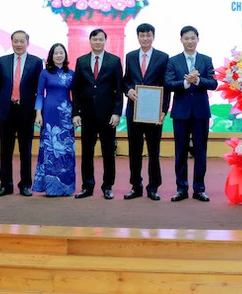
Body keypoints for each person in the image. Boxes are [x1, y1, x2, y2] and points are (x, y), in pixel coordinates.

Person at [165, 25, 217, 202]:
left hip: (201, 112)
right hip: (180, 112)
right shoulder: (173, 61)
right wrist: (186, 83)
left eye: (192, 38)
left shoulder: (206, 59)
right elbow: (168, 84)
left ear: (197, 39)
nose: (189, 41)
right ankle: (181, 188)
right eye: (186, 38)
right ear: (181, 40)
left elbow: (213, 83)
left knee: (201, 151)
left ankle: (199, 189)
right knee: (180, 152)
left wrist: (198, 80)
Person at [0, 30, 43, 197]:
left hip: (26, 111)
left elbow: (39, 90)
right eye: (15, 41)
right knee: (5, 150)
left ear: (28, 42)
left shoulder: (36, 62)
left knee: (25, 150)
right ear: (11, 42)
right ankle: (6, 185)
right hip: (7, 111)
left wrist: (37, 112)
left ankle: (25, 184)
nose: (18, 44)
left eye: (22, 41)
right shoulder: (3, 61)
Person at [72, 29, 123, 199]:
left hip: (108, 116)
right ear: (90, 41)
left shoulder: (114, 61)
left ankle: (107, 186)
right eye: (95, 39)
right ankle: (87, 185)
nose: (98, 42)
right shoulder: (81, 61)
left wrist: (117, 112)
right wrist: (76, 113)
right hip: (87, 115)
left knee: (108, 152)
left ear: (105, 41)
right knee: (87, 152)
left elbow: (119, 89)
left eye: (101, 39)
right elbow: (76, 89)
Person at [122, 23, 171, 201]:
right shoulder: (130, 56)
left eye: (148, 35)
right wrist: (128, 90)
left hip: (154, 112)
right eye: (142, 35)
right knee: (134, 151)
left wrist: (163, 110)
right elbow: (125, 80)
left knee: (153, 151)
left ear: (153, 36)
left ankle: (153, 187)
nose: (145, 38)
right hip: (133, 111)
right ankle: (136, 186)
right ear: (138, 37)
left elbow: (167, 87)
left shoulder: (163, 57)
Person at [33, 43, 75, 197]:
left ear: (65, 55)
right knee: (50, 149)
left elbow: (75, 95)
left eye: (61, 52)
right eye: (56, 53)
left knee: (66, 149)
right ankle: (51, 187)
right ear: (51, 56)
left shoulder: (71, 73)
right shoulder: (45, 73)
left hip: (66, 115)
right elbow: (39, 94)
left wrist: (76, 114)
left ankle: (66, 187)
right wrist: (38, 113)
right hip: (49, 114)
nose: (59, 55)